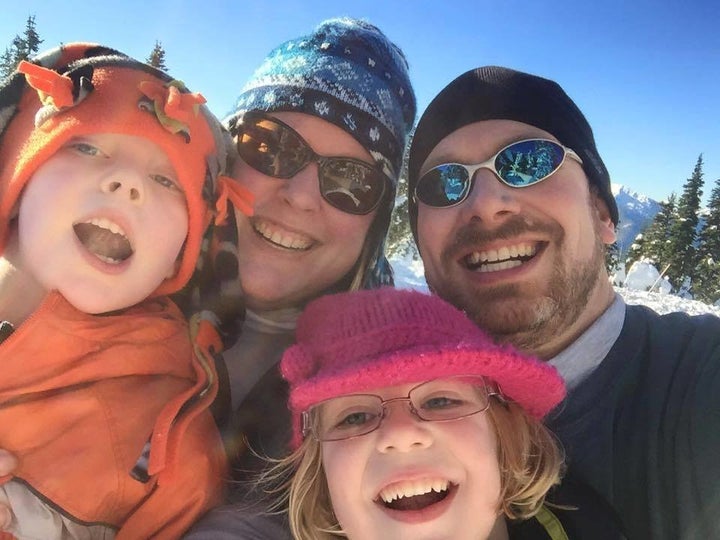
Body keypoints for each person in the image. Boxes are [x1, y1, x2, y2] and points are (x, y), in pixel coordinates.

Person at [406, 66, 720, 540]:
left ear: (602, 213)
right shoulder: (385, 413)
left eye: (528, 161)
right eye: (444, 183)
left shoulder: (700, 384)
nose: (487, 203)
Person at [0, 43, 253, 538]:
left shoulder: (175, 451)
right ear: (17, 176)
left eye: (165, 179)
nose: (127, 184)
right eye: (87, 147)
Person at [183, 17, 415, 538]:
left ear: (373, 228)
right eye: (273, 147)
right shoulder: (92, 285)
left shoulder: (395, 403)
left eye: (352, 181)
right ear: (226, 153)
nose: (302, 195)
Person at [267, 287, 627, 540]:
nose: (401, 435)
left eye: (440, 401)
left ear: (506, 436)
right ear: (320, 479)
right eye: (354, 417)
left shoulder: (590, 527)